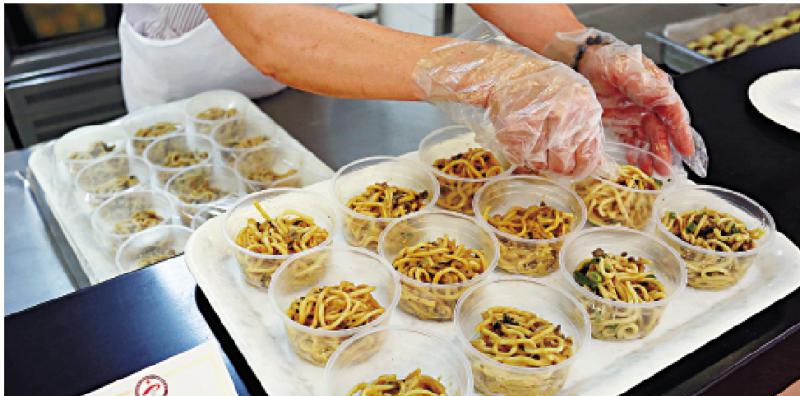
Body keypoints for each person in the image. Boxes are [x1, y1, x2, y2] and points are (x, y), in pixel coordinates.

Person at [120, 4, 697, 177]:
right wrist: (492, 73)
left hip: (321, 73)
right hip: (189, 84)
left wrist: (581, 48)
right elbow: (270, 31)